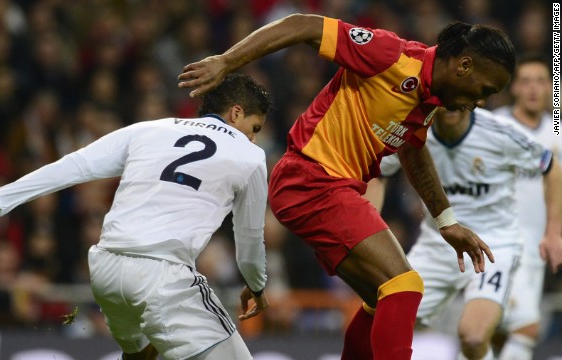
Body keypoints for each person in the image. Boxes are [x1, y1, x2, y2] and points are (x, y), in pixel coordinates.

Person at [178, 13, 514, 360]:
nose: (482, 101)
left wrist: (446, 221)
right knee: (405, 284)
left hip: (329, 188)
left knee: (381, 299)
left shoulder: (426, 99)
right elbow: (304, 25)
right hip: (311, 179)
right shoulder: (390, 55)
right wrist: (226, 61)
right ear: (464, 65)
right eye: (486, 89)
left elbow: (412, 149)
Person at [0, 73, 272, 360]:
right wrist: (256, 285)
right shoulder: (251, 156)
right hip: (163, 276)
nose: (254, 138)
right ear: (236, 112)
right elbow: (249, 239)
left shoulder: (149, 129)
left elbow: (72, 166)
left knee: (141, 352)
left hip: (106, 268)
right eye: (254, 128)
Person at [374, 107, 562, 360]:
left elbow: (551, 167)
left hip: (494, 244)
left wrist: (553, 232)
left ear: (475, 99)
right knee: (383, 322)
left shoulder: (500, 132)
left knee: (474, 337)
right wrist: (370, 227)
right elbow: (375, 172)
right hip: (437, 246)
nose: (453, 106)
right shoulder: (414, 131)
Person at [492, 55, 562, 360]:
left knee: (520, 327)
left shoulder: (556, 134)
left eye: (540, 81)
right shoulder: (495, 124)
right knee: (498, 327)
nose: (533, 88)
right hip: (492, 240)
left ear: (550, 88)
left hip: (535, 244)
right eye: (526, 81)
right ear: (514, 88)